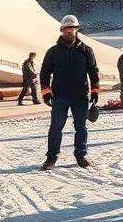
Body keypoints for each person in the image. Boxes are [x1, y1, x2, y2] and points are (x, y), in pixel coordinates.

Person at [39, 15, 99, 170]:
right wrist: (46, 93)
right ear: (61, 30)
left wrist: (95, 92)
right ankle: (51, 157)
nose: (69, 31)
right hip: (60, 97)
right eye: (66, 29)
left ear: (76, 30)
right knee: (56, 127)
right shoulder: (53, 52)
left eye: (71, 29)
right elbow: (44, 74)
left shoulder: (86, 51)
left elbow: (94, 72)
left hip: (80, 97)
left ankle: (81, 155)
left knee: (81, 127)